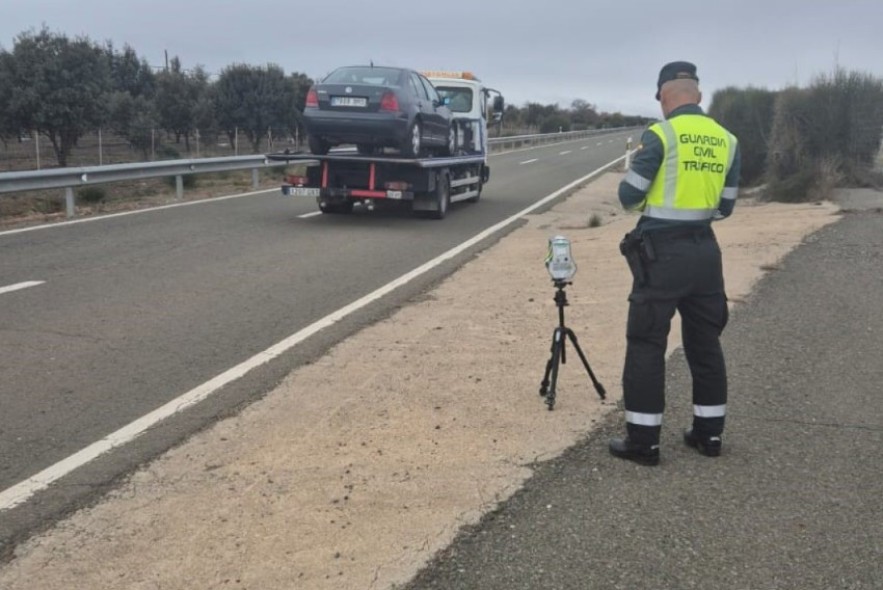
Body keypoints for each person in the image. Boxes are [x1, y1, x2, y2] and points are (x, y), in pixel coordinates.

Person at [609, 61, 742, 466]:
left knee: (647, 343)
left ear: (662, 97)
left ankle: (644, 443)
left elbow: (629, 195)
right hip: (706, 253)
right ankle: (710, 435)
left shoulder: (661, 134)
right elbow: (727, 205)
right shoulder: (727, 139)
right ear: (698, 96)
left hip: (661, 255)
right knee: (705, 345)